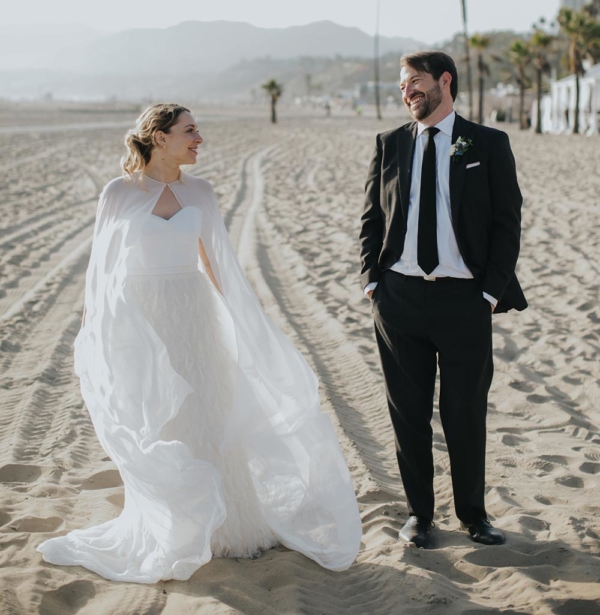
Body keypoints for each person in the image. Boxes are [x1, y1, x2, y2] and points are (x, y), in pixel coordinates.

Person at [39, 104, 361, 583]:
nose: (199, 139)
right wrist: (94, 335)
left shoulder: (202, 193)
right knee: (163, 419)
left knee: (210, 414)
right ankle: (173, 524)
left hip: (195, 316)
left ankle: (226, 526)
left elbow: (218, 265)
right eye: (189, 131)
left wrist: (245, 326)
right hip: (145, 322)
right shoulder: (119, 193)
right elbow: (99, 274)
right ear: (158, 137)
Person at [359, 52, 527, 549]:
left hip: (465, 301)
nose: (406, 91)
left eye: (415, 82)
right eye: (402, 85)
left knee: (464, 411)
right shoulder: (389, 144)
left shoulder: (487, 143)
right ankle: (419, 516)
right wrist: (373, 281)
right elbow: (371, 217)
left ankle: (473, 515)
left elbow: (507, 221)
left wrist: (490, 292)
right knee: (407, 412)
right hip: (399, 300)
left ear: (444, 82)